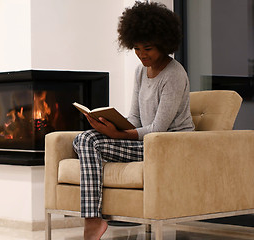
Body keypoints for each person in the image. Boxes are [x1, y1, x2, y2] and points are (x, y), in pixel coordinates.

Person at [72, 2, 195, 240]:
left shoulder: (175, 74)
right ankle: (93, 219)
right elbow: (135, 118)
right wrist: (110, 126)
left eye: (147, 48)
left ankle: (93, 222)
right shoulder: (140, 71)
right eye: (137, 49)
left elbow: (159, 129)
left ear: (164, 44)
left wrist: (118, 135)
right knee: (83, 138)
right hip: (146, 141)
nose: (142, 55)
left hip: (169, 145)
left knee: (90, 143)